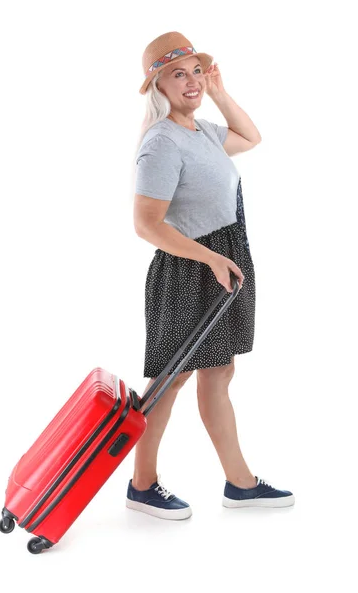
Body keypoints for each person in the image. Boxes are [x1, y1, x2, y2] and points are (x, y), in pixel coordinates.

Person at [126, 31, 294, 520]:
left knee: (219, 371)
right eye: (178, 74)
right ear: (158, 85)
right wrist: (209, 259)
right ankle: (142, 484)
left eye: (196, 70)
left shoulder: (199, 131)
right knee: (168, 381)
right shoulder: (161, 143)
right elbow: (145, 225)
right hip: (187, 269)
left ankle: (239, 483)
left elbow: (251, 137)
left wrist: (218, 90)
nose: (191, 81)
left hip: (221, 260)